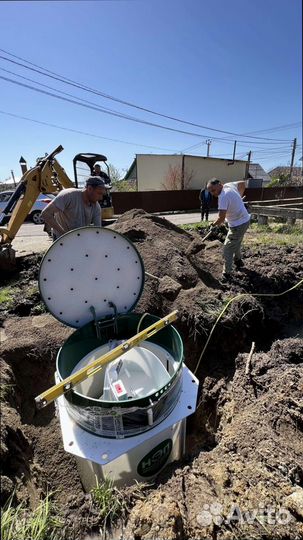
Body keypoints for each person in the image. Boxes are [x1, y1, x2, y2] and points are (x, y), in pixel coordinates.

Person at [206, 178, 250, 281]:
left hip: (238, 225)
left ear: (219, 184)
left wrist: (213, 224)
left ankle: (227, 274)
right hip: (245, 221)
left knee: (227, 249)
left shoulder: (223, 197)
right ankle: (238, 261)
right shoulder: (229, 185)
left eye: (213, 190)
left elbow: (221, 218)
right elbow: (242, 184)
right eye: (210, 192)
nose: (213, 193)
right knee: (236, 241)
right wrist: (239, 197)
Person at [41, 176, 106, 240]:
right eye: (99, 193)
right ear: (89, 188)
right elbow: (46, 213)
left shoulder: (96, 207)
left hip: (79, 240)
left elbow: (97, 231)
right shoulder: (68, 196)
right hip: (61, 240)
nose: (101, 198)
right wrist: (64, 235)